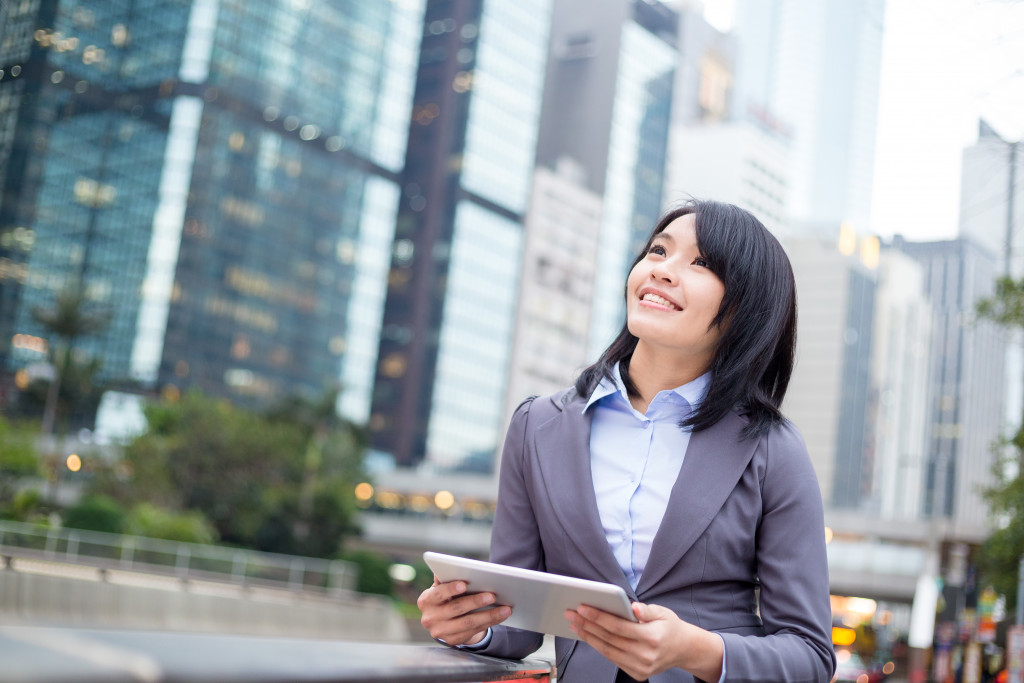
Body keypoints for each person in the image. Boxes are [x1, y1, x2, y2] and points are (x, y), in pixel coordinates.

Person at [418, 199, 837, 683]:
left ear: (746, 308)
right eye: (658, 251)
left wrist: (696, 650)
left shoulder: (772, 449)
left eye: (701, 263)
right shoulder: (538, 427)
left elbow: (809, 656)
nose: (662, 271)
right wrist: (467, 624)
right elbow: (519, 624)